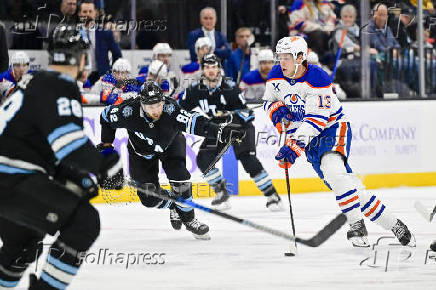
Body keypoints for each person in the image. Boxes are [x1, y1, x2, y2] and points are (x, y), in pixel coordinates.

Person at [0, 25, 123, 289]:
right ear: (82, 59)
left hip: (9, 176)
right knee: (84, 223)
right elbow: (69, 145)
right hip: (10, 177)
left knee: (23, 245)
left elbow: (45, 148)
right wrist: (107, 166)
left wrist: (79, 177)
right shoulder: (60, 85)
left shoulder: (35, 82)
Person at [263, 36, 414, 247]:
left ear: (300, 57)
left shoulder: (318, 79)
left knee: (333, 171)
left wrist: (294, 147)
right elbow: (269, 101)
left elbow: (316, 120)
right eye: (280, 57)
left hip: (332, 128)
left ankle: (356, 225)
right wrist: (276, 112)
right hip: (308, 137)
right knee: (345, 185)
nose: (282, 63)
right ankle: (394, 224)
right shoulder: (275, 76)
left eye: (287, 57)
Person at [97, 81, 245, 239]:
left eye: (158, 105)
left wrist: (221, 132)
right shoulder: (127, 112)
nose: (156, 111)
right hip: (141, 154)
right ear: (141, 105)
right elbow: (105, 116)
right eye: (150, 107)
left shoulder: (171, 109)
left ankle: (190, 220)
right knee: (149, 199)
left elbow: (195, 123)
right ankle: (174, 205)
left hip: (171, 145)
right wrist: (106, 144)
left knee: (180, 177)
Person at [179, 54, 283, 211]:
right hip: (217, 129)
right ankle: (222, 194)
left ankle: (272, 195)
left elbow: (248, 115)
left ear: (219, 69)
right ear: (203, 70)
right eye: (207, 67)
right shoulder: (194, 90)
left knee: (247, 158)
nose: (211, 70)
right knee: (204, 159)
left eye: (214, 67)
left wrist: (233, 117)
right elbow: (180, 110)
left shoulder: (230, 88)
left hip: (240, 128)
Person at [78, 0, 122, 82]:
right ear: (79, 14)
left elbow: (117, 55)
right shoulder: (75, 33)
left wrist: (112, 74)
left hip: (101, 77)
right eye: (84, 12)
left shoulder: (105, 33)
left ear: (95, 13)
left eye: (90, 11)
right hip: (80, 77)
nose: (88, 14)